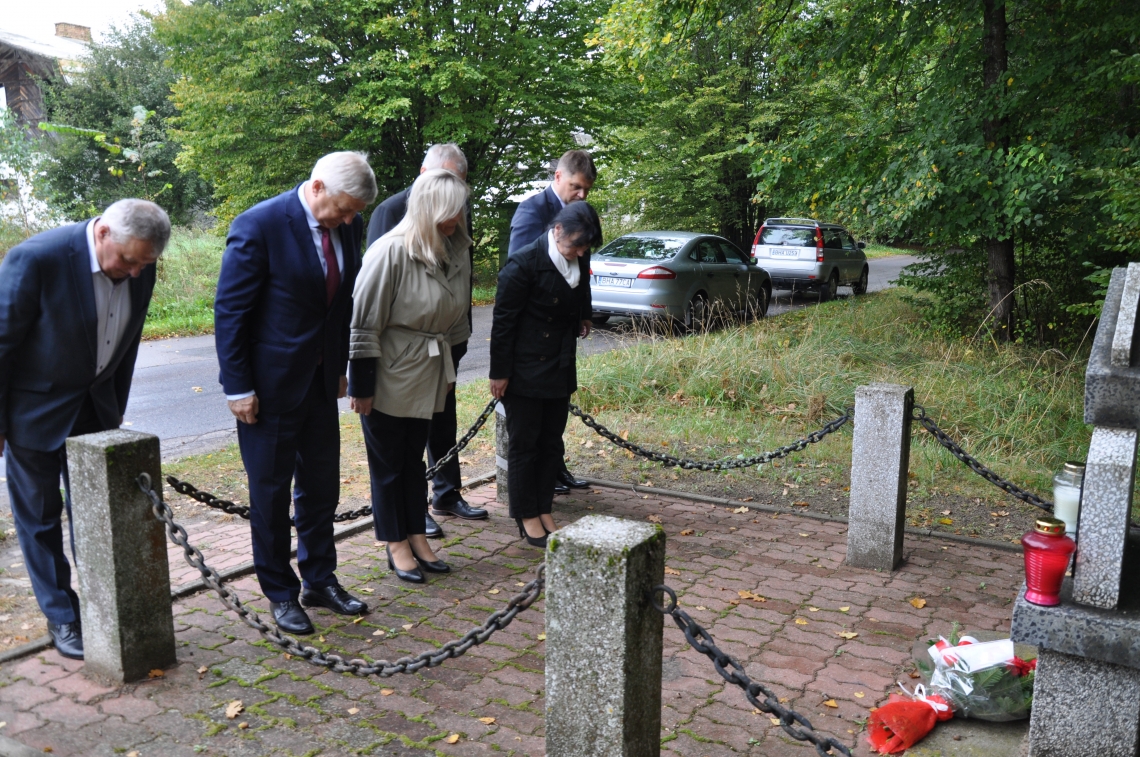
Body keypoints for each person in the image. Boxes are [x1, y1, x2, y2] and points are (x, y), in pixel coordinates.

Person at [214, 151, 376, 635]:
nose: (350, 219)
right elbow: (231, 313)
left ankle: (319, 580)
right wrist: (237, 386)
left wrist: (341, 367)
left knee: (321, 488)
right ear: (319, 186)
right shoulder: (259, 224)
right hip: (267, 389)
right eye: (345, 209)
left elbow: (340, 302)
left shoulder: (346, 223)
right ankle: (280, 592)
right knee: (270, 495)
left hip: (321, 384)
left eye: (354, 214)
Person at [0, 199, 170, 659]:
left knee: (100, 517)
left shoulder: (140, 266)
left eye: (145, 264)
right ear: (102, 235)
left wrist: (114, 408)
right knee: (39, 522)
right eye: (128, 260)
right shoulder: (37, 258)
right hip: (32, 417)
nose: (135, 273)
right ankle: (62, 618)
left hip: (96, 413)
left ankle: (105, 607)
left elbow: (127, 345)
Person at [348, 168, 472, 583]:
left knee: (412, 461)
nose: (454, 221)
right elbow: (363, 324)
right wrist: (362, 386)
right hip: (389, 371)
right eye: (447, 213)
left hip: (429, 370)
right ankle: (395, 543)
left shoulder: (453, 250)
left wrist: (450, 369)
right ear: (426, 209)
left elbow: (456, 319)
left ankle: (416, 534)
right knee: (388, 464)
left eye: (459, 212)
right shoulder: (390, 251)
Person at [365, 144, 486, 540]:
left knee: (442, 423)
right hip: (402, 356)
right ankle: (411, 515)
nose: (455, 202)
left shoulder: (457, 213)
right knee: (402, 446)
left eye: (459, 184)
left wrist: (458, 333)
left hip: (446, 339)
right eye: (446, 181)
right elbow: (374, 302)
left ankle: (447, 493)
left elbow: (459, 277)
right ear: (424, 175)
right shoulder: (391, 217)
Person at [490, 202, 602, 547]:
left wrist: (585, 315)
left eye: (585, 247)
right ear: (557, 232)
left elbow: (581, 287)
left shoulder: (579, 256)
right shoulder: (522, 264)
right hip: (524, 368)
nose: (580, 252)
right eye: (576, 245)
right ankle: (527, 515)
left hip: (559, 362)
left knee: (551, 443)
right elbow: (503, 323)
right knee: (525, 444)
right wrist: (499, 373)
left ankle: (544, 508)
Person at [507, 150, 597, 495]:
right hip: (535, 331)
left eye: (587, 190)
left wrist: (583, 311)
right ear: (558, 177)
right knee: (534, 416)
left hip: (563, 328)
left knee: (555, 409)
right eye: (576, 186)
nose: (581, 195)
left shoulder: (582, 215)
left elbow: (582, 267)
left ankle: (555, 467)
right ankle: (540, 482)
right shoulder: (532, 211)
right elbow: (519, 271)